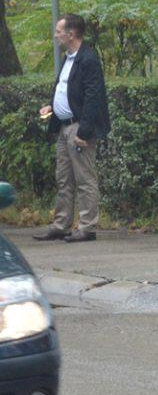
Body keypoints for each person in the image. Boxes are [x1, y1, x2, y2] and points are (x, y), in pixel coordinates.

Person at [35, 14, 111, 244]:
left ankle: (87, 227)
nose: (56, 35)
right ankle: (61, 225)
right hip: (63, 127)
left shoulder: (88, 59)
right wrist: (52, 105)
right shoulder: (68, 58)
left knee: (85, 179)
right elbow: (66, 89)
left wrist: (84, 132)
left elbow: (92, 97)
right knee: (64, 179)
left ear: (71, 34)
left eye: (59, 31)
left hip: (78, 129)